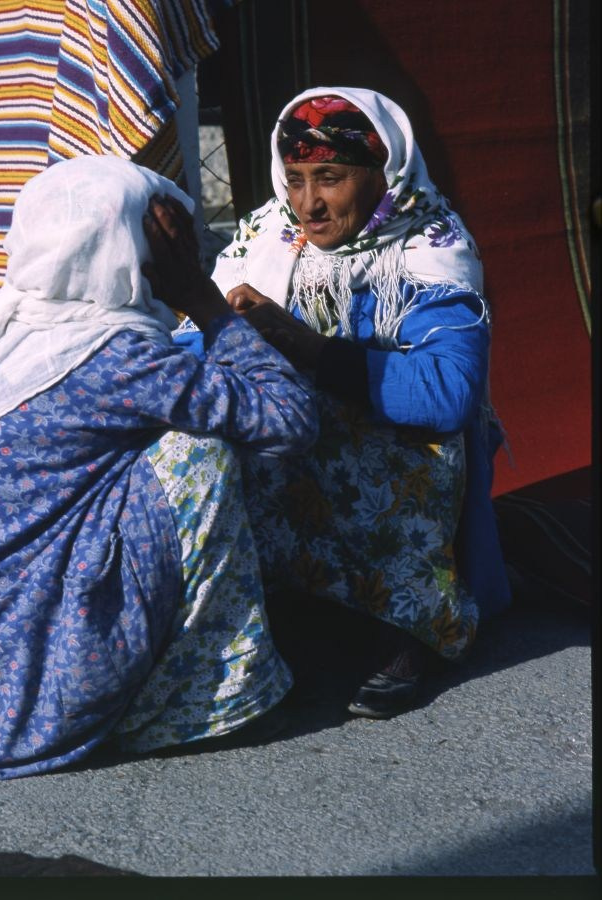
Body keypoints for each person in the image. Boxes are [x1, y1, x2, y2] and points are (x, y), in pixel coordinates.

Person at [0, 155, 318, 780]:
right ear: (127, 254)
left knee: (179, 442)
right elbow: (289, 419)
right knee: (198, 458)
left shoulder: (18, 330)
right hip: (34, 684)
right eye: (165, 243)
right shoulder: (117, 359)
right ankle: (198, 704)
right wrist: (208, 304)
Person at [174, 87, 511, 717]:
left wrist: (306, 349)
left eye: (330, 178)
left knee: (404, 453)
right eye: (296, 179)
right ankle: (281, 602)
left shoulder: (426, 249)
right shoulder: (268, 237)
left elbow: (448, 395)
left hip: (398, 450)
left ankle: (412, 627)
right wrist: (220, 326)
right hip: (306, 441)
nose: (308, 205)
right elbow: (187, 348)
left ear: (385, 173)